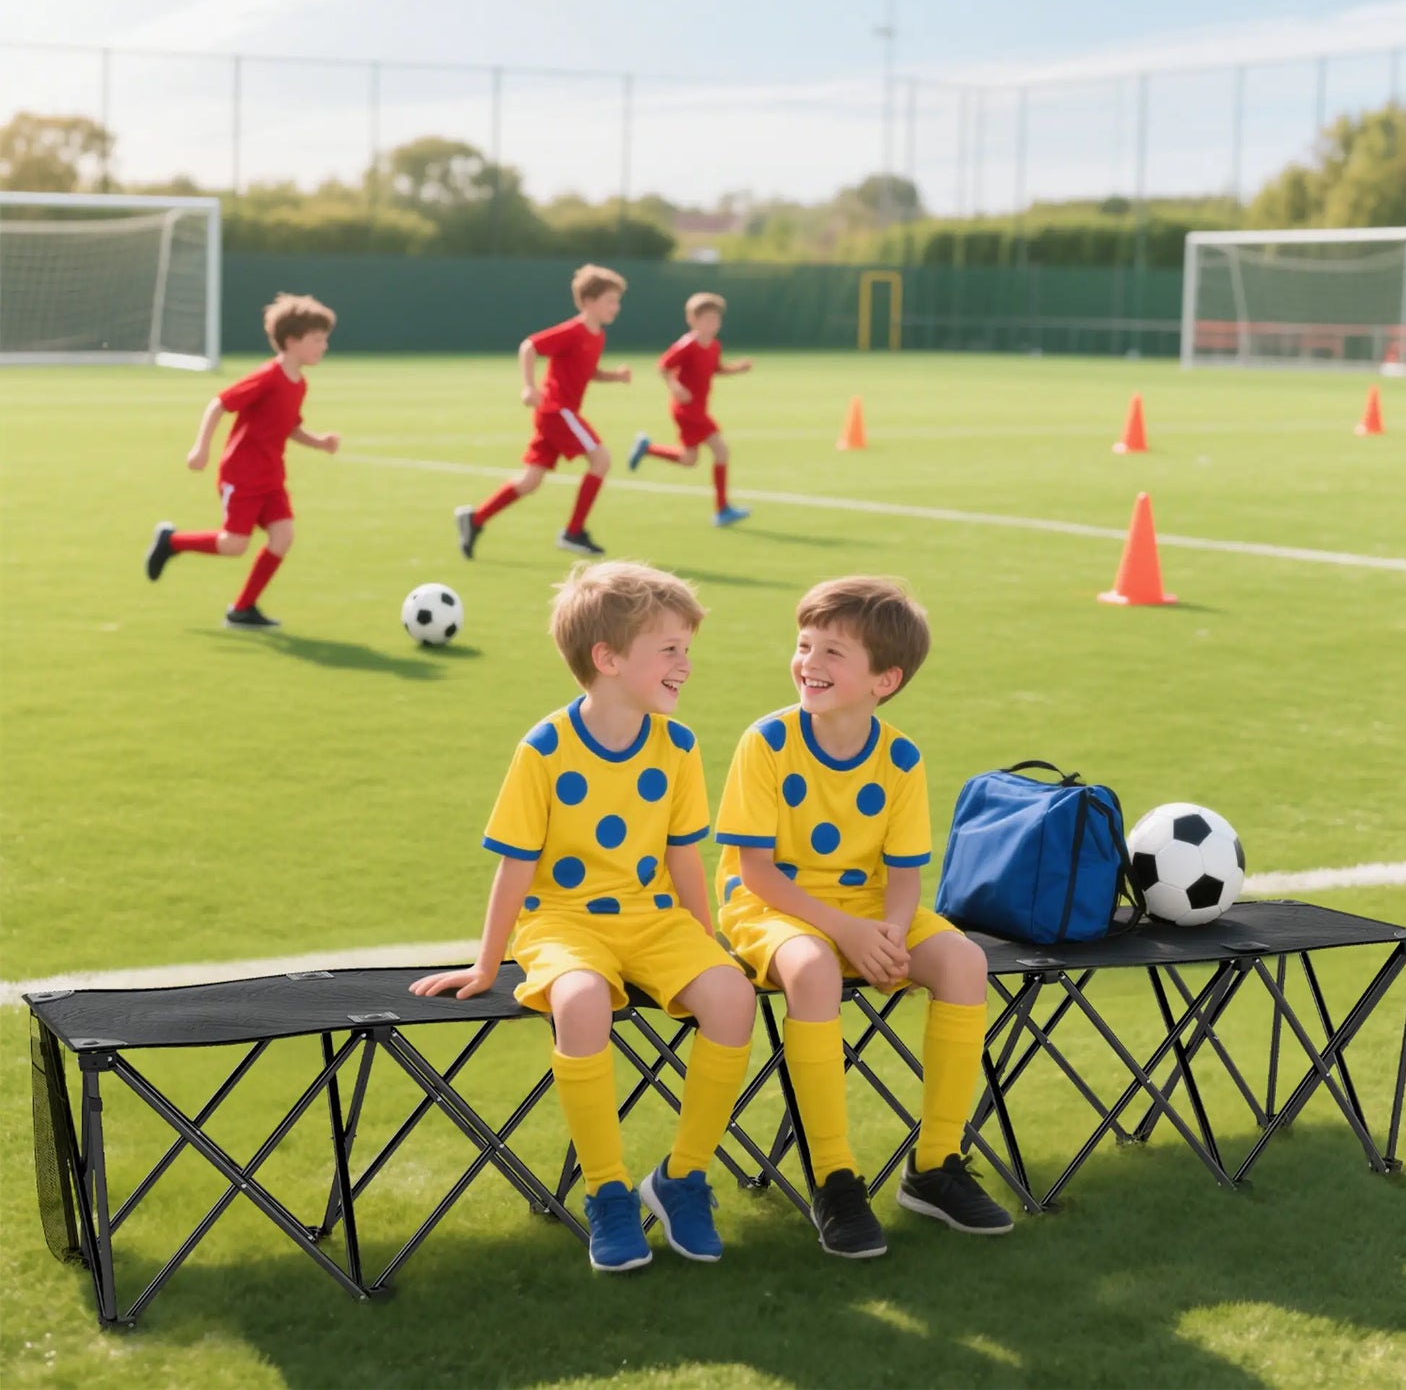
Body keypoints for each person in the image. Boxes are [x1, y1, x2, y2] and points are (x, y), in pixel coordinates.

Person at [411, 561, 756, 1272]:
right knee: (581, 999)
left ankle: (681, 1177)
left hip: (654, 920)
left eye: (686, 649)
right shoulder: (542, 748)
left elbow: (686, 855)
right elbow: (515, 863)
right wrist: (486, 962)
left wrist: (709, 939)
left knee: (731, 996)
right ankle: (605, 1192)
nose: (685, 665)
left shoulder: (680, 745)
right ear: (607, 658)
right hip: (563, 924)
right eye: (669, 650)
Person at [713, 576, 1014, 1258]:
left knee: (964, 962)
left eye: (832, 652)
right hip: (769, 907)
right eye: (803, 644)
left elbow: (904, 872)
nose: (807, 662)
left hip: (870, 909)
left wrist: (889, 932)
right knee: (814, 967)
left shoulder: (900, 756)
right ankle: (834, 1175)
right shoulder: (765, 742)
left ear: (885, 679)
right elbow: (753, 870)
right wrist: (849, 933)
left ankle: (935, 1164)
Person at [145, 293, 338, 629]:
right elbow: (219, 403)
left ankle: (242, 609)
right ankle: (172, 542)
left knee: (283, 536)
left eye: (325, 339)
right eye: (317, 340)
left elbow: (290, 426)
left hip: (271, 477)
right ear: (291, 341)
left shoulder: (299, 383)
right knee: (234, 545)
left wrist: (318, 442)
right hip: (243, 475)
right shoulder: (267, 377)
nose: (324, 346)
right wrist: (200, 448)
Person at [456, 264, 631, 561]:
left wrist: (614, 376)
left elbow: (586, 372)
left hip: (559, 415)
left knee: (530, 481)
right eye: (610, 301)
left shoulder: (597, 336)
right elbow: (529, 346)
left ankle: (475, 520)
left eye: (617, 301)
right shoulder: (573, 331)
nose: (617, 307)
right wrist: (528, 387)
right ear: (589, 302)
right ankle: (573, 532)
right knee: (601, 459)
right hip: (556, 411)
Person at [626, 292, 752, 527]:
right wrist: (675, 387)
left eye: (716, 319)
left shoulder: (714, 346)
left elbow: (717, 369)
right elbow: (662, 366)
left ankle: (648, 448)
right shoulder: (687, 345)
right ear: (692, 320)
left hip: (697, 409)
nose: (712, 324)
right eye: (707, 319)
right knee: (721, 450)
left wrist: (737, 369)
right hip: (687, 410)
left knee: (688, 459)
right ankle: (722, 509)